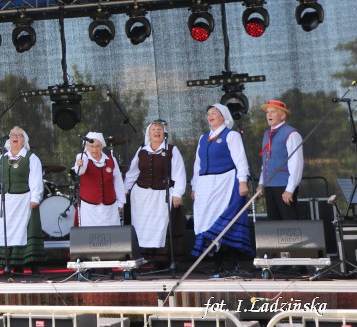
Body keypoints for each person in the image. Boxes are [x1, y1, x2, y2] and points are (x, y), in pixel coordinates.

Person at [190, 103, 253, 271]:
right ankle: (217, 263)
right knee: (208, 221)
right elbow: (198, 164)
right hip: (206, 185)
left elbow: (240, 160)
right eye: (208, 113)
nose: (210, 116)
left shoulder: (231, 135)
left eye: (214, 113)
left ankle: (230, 262)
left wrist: (242, 181)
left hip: (226, 182)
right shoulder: (203, 138)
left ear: (224, 117)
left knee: (226, 222)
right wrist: (194, 186)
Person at [123, 120, 187, 259]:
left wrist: (177, 194)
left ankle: (160, 259)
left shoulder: (171, 150)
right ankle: (142, 257)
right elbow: (132, 173)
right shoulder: (142, 150)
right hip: (141, 197)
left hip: (162, 196)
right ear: (149, 133)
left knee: (160, 227)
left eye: (159, 129)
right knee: (142, 227)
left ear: (164, 133)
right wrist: (125, 190)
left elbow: (179, 173)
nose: (156, 132)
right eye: (153, 129)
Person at [0, 127, 46, 273]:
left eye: (19, 135)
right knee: (6, 231)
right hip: (5, 201)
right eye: (12, 135)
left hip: (23, 200)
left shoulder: (31, 158)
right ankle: (9, 263)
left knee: (23, 232)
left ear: (24, 140)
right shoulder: (1, 158)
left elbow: (36, 180)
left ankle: (28, 264)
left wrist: (35, 198)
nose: (15, 137)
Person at [256, 100, 304, 221]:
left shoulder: (291, 133)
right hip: (269, 186)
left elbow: (296, 163)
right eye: (267, 112)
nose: (269, 115)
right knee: (274, 224)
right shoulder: (267, 134)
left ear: (282, 115)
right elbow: (265, 162)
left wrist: (290, 189)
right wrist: (261, 183)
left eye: (273, 112)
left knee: (289, 222)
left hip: (284, 185)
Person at [73, 131, 125, 227]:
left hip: (110, 207)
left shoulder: (111, 160)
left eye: (97, 146)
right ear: (87, 147)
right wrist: (80, 164)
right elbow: (80, 171)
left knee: (111, 233)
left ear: (102, 146)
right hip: (89, 208)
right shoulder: (83, 157)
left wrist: (120, 203)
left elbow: (118, 182)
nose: (94, 149)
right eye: (91, 146)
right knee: (91, 233)